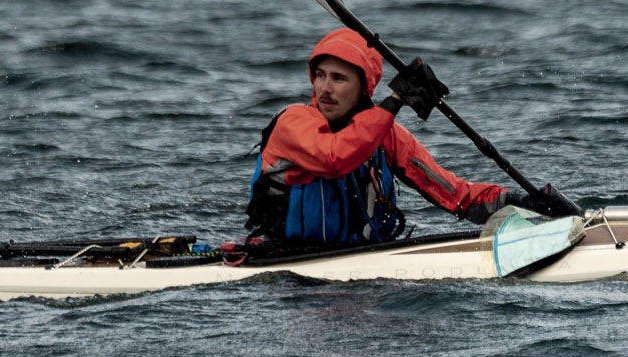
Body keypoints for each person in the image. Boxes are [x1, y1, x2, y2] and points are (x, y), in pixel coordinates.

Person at [246, 27, 580, 247]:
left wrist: (519, 205)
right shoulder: (293, 123)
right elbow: (335, 157)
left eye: (338, 78)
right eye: (319, 76)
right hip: (287, 273)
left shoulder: (386, 135)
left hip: (361, 270)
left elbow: (453, 194)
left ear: (364, 87)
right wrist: (396, 101)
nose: (325, 89)